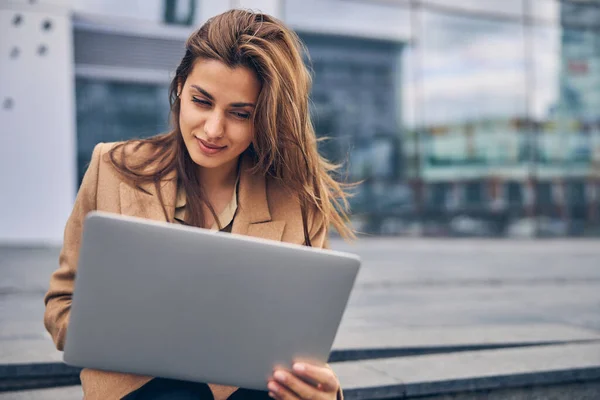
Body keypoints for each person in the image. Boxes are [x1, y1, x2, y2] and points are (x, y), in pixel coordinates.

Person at [43, 9, 354, 400]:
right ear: (179, 87)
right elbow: (62, 305)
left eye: (240, 114)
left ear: (266, 120)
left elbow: (305, 343)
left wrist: (325, 391)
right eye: (201, 101)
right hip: (141, 390)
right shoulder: (111, 168)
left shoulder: (296, 200)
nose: (212, 129)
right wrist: (119, 332)